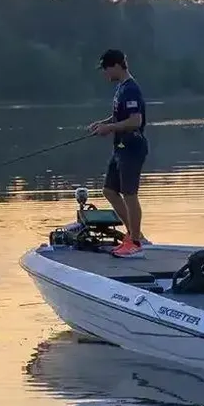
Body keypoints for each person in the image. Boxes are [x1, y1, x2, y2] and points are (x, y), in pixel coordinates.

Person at [88, 49, 149, 257]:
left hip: (132, 147)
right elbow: (118, 115)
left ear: (115, 66)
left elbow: (135, 121)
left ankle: (135, 241)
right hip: (120, 147)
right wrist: (103, 124)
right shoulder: (121, 88)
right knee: (109, 190)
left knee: (129, 194)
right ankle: (134, 233)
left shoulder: (131, 89)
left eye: (105, 69)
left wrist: (110, 129)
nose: (104, 73)